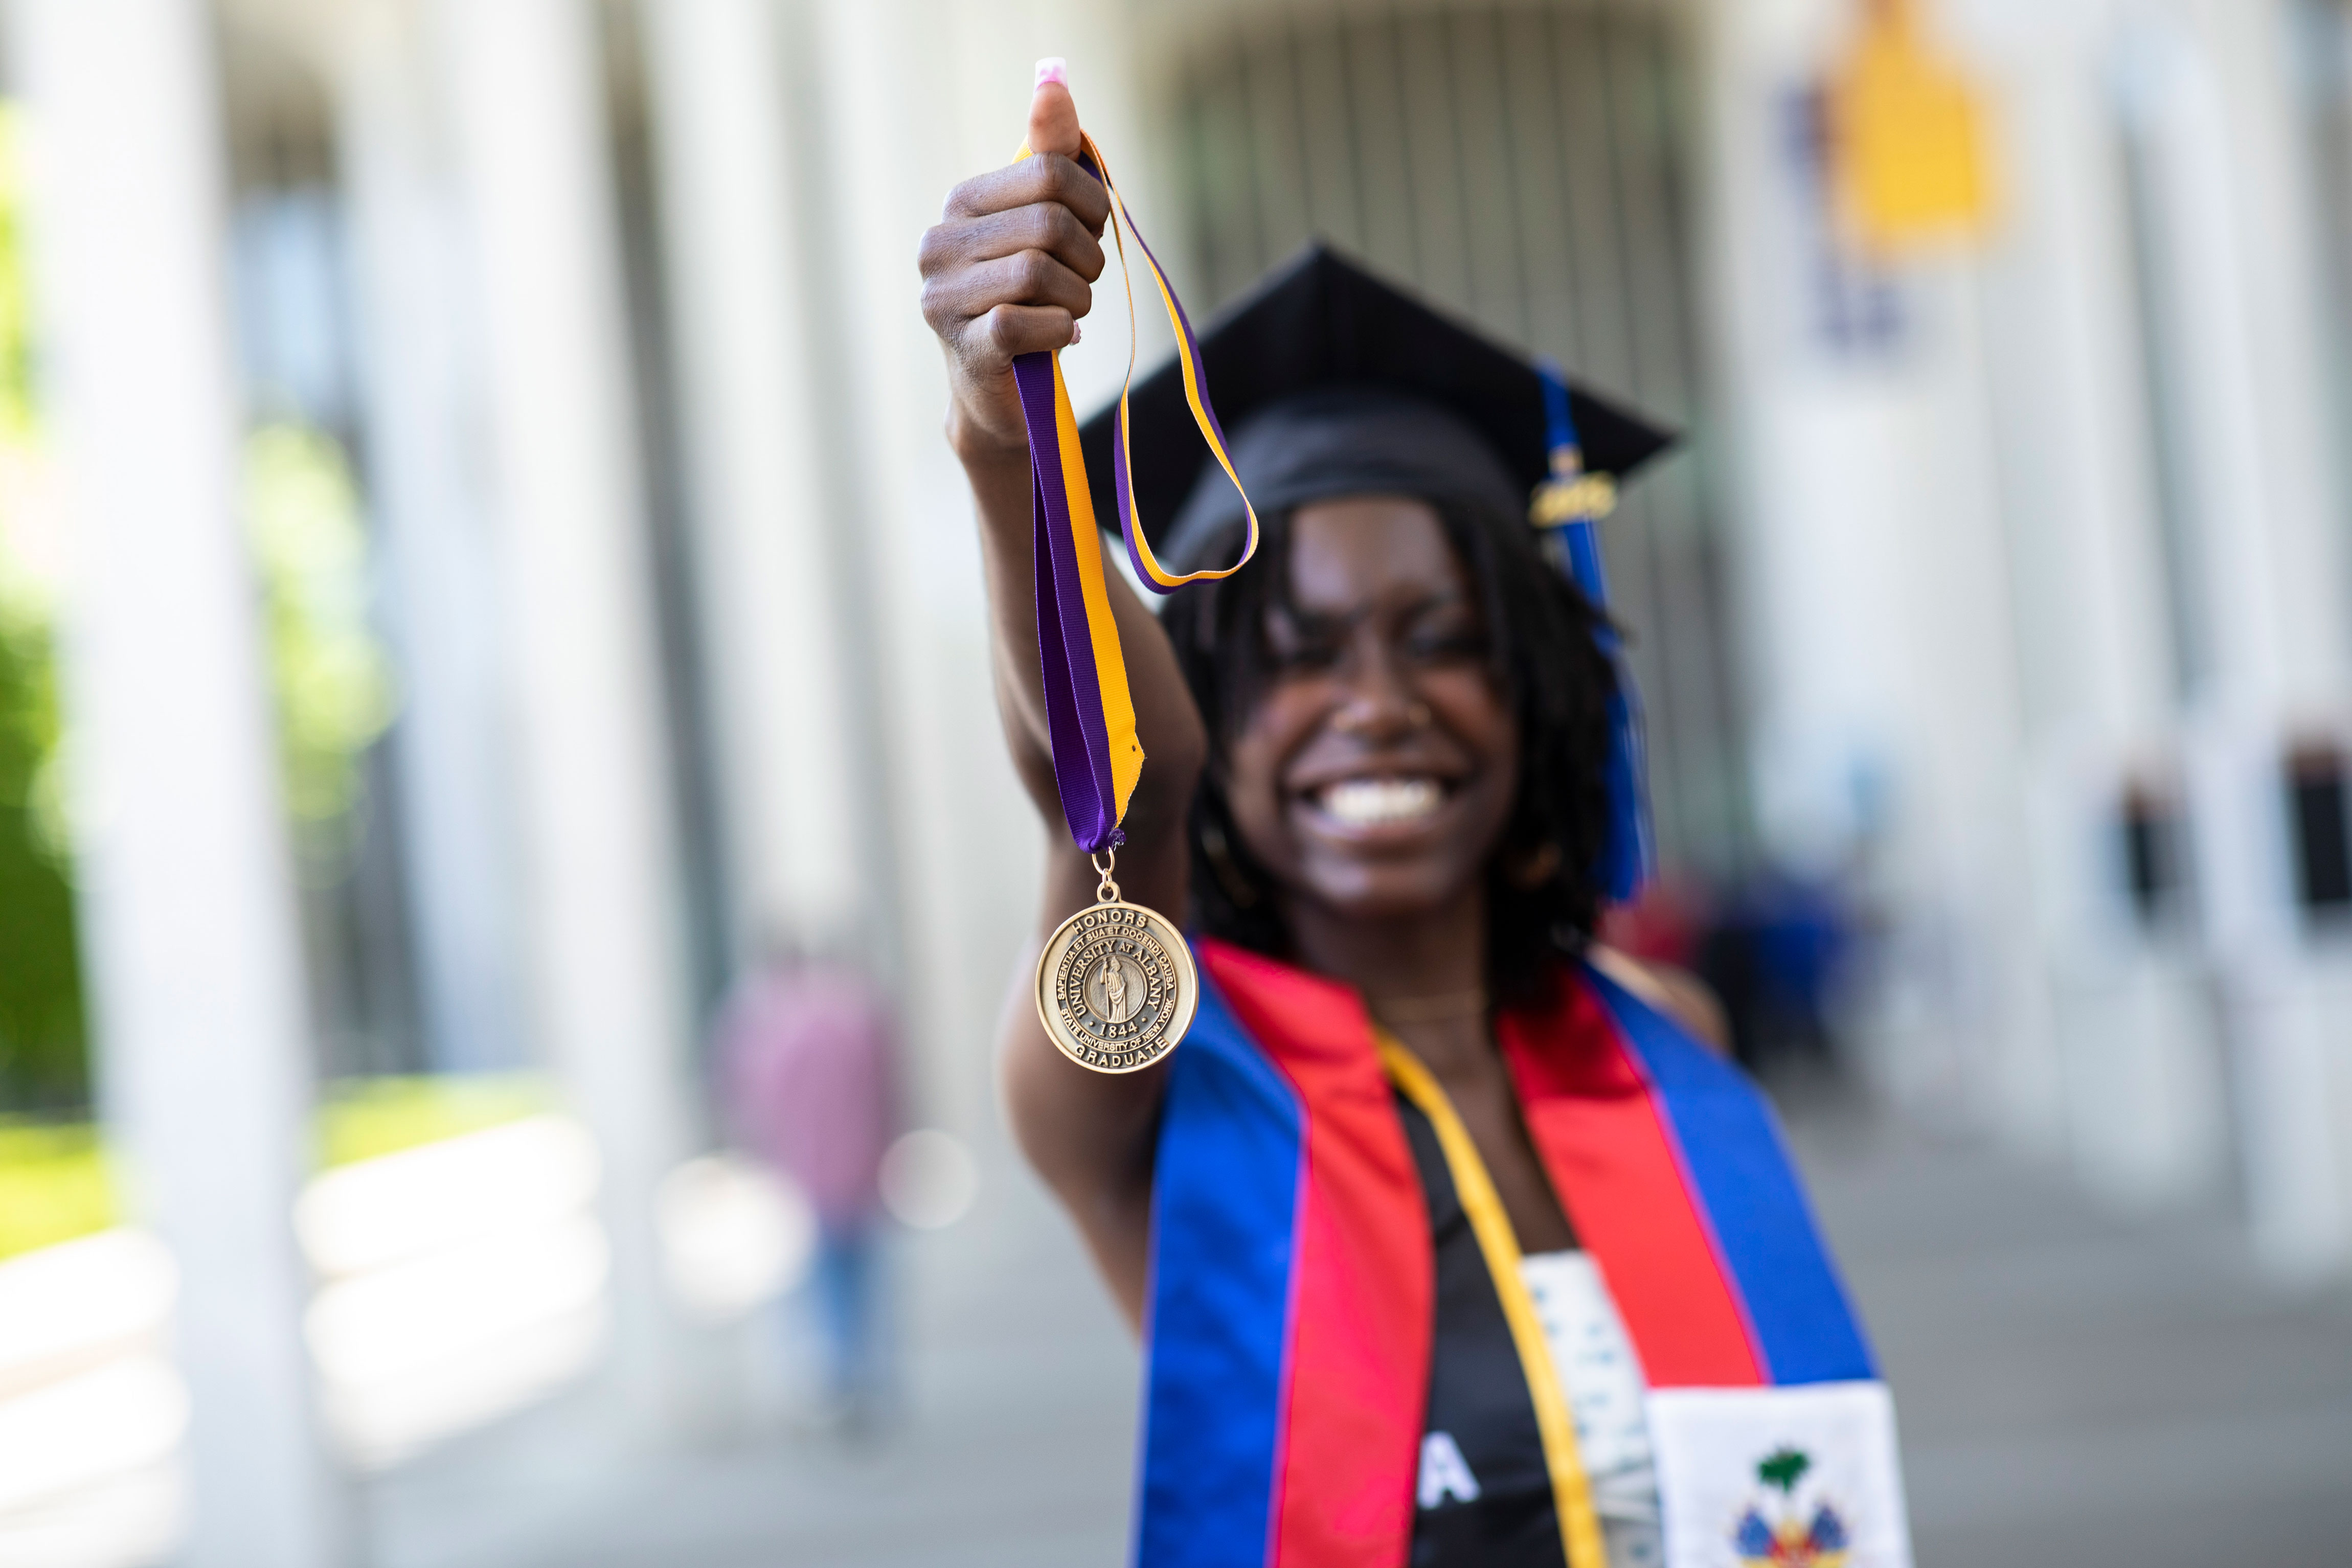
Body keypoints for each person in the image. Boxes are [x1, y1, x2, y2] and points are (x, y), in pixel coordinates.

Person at [917, 68, 1908, 1568]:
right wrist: (1009, 437)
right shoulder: (1166, 1089)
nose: (1374, 700)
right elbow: (1130, 778)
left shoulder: (1666, 1033)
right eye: (1296, 654)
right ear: (1219, 712)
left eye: (1438, 635)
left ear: (1536, 690)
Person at [718, 940, 898, 1430]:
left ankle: (839, 1378)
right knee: (862, 1278)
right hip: (859, 1168)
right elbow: (888, 1092)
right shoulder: (858, 1017)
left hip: (813, 1174)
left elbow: (753, 1105)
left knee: (826, 1283)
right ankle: (866, 1376)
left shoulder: (772, 1033)